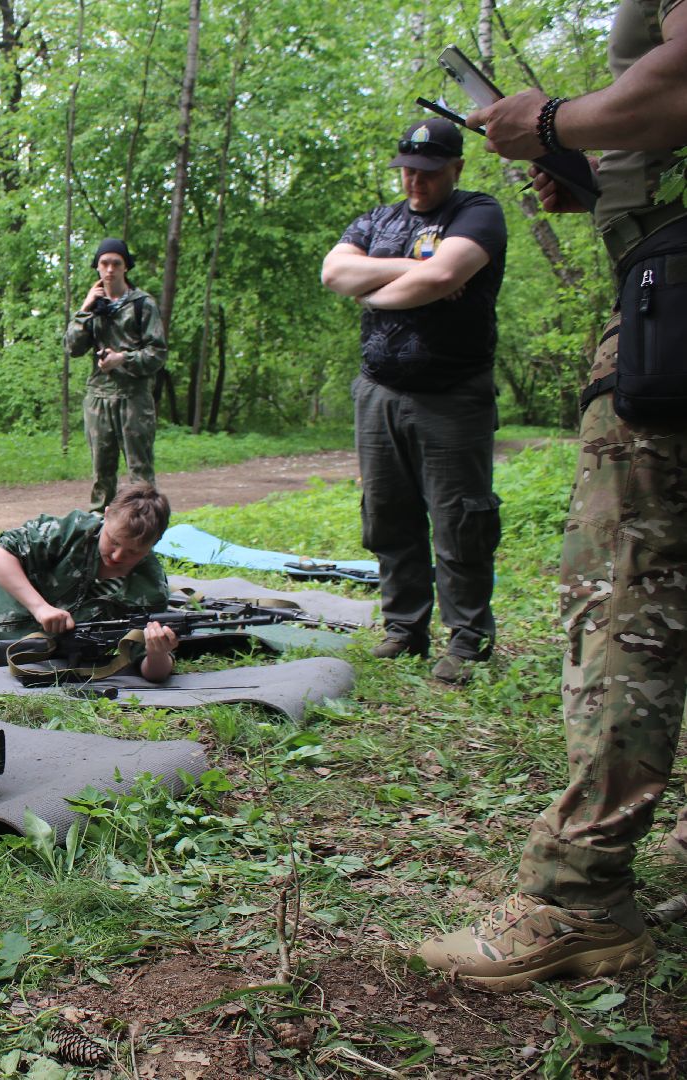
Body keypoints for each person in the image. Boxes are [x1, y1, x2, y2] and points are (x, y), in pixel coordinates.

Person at [415, 2, 687, 990]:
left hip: (675, 305)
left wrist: (561, 120)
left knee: (628, 596)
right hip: (666, 267)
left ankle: (579, 898)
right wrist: (602, 176)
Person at [320, 117, 508, 685]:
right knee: (388, 515)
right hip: (379, 390)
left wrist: (381, 286)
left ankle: (468, 638)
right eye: (406, 171)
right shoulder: (379, 219)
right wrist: (415, 270)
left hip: (452, 395)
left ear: (456, 167)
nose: (414, 183)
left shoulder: (478, 212)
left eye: (427, 173)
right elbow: (334, 272)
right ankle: (405, 628)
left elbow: (445, 275)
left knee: (460, 520)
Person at [0, 483, 175, 679]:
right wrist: (40, 608)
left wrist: (157, 653)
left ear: (155, 543)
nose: (117, 555)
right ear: (106, 515)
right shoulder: (72, 531)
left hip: (10, 642)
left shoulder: (148, 590)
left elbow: (151, 670)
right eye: (113, 541)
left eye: (133, 552)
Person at [65, 238, 168, 512]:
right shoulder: (93, 307)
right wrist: (84, 310)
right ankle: (101, 536)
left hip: (134, 399)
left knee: (140, 475)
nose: (110, 269)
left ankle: (146, 533)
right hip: (99, 399)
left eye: (116, 263)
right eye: (104, 263)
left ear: (126, 267)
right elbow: (72, 348)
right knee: (102, 475)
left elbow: (158, 353)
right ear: (97, 267)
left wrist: (123, 359)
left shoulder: (142, 304)